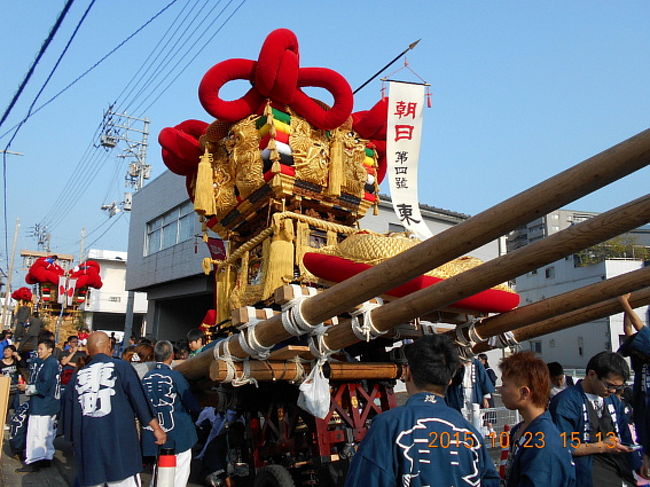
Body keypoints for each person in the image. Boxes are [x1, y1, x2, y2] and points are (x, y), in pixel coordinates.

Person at [345, 335, 500, 487]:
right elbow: (490, 480)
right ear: (450, 379)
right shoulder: (470, 432)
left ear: (408, 373)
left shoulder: (387, 426)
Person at [62, 331, 167, 487]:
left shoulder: (77, 377)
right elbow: (139, 400)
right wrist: (156, 428)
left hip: (88, 445)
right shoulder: (121, 367)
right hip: (119, 443)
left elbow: (68, 414)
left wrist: (73, 441)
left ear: (88, 351)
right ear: (109, 346)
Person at [550, 351, 641, 487]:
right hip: (585, 474)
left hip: (619, 470)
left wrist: (638, 466)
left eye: (618, 387)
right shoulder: (565, 402)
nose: (613, 391)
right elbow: (562, 445)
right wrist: (600, 447)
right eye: (609, 386)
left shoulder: (613, 401)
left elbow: (625, 436)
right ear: (592, 374)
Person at [499, 351, 575, 486]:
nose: (500, 390)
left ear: (524, 392)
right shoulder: (520, 429)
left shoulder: (544, 443)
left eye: (504, 385)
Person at [142, 340, 201, 487]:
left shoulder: (146, 378)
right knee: (179, 471)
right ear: (172, 356)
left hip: (154, 433)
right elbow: (192, 404)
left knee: (159, 471)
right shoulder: (175, 376)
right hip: (178, 431)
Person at [617, 293, 650, 479]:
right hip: (642, 407)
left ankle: (645, 462)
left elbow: (640, 329)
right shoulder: (642, 359)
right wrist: (625, 308)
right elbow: (630, 332)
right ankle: (645, 462)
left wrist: (624, 302)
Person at [16, 338, 61, 472]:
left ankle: (34, 460)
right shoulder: (49, 362)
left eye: (41, 349)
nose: (39, 351)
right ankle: (46, 458)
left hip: (43, 403)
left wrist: (26, 388)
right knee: (47, 433)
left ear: (50, 349)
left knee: (37, 433)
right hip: (50, 403)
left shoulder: (50, 363)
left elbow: (44, 385)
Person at [0, 345, 21, 418]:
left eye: (8, 351)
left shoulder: (15, 362)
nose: (6, 352)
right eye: (5, 350)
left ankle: (16, 421)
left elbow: (23, 365)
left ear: (13, 352)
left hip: (15, 387)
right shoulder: (0, 363)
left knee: (16, 405)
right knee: (4, 405)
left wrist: (17, 356)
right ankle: (3, 422)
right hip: (4, 388)